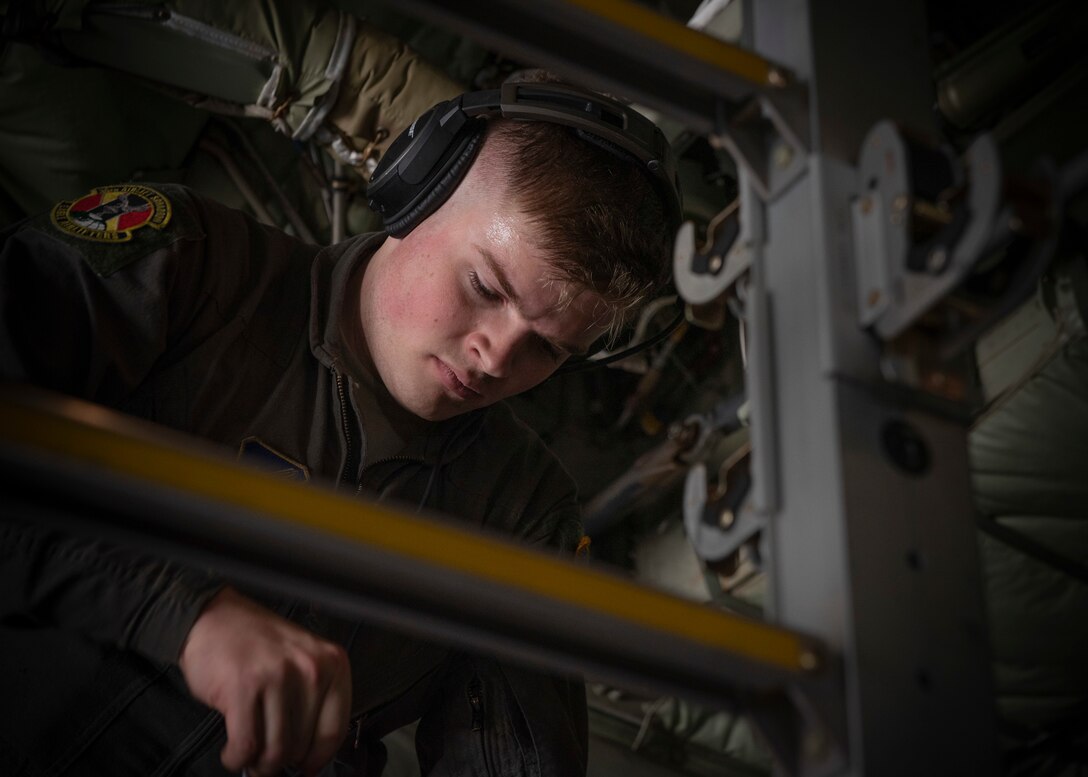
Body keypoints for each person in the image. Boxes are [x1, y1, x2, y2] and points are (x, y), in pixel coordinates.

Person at [0, 76, 679, 776]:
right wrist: (189, 616)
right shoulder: (185, 262)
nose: (497, 356)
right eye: (484, 287)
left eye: (546, 348)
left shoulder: (521, 510)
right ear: (416, 192)